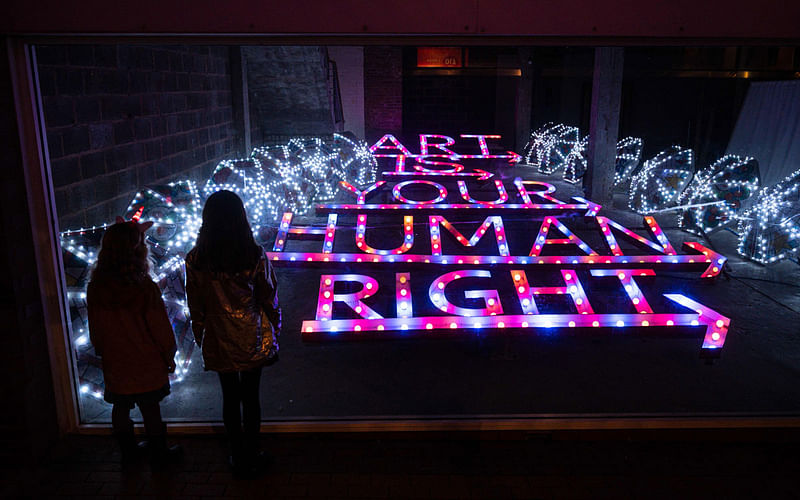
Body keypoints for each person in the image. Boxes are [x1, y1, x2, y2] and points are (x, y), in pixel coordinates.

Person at [185, 190, 280, 477]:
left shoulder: (197, 259)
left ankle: (236, 454)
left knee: (229, 396)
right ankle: (253, 451)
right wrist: (275, 324)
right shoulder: (252, 254)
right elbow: (268, 294)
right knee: (251, 396)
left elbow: (195, 301)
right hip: (251, 332)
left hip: (218, 333)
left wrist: (200, 330)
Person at [87, 217, 181, 465]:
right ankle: (160, 456)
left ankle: (128, 454)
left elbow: (95, 328)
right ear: (137, 250)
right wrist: (169, 354)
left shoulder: (96, 287)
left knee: (120, 408)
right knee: (151, 409)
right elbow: (160, 328)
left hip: (116, 361)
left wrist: (101, 349)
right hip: (146, 362)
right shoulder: (144, 288)